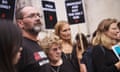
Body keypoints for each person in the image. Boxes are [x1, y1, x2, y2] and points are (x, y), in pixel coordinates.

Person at [15, 6, 49, 72]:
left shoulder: (36, 43)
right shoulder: (19, 47)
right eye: (32, 16)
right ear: (20, 23)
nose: (38, 18)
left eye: (38, 15)